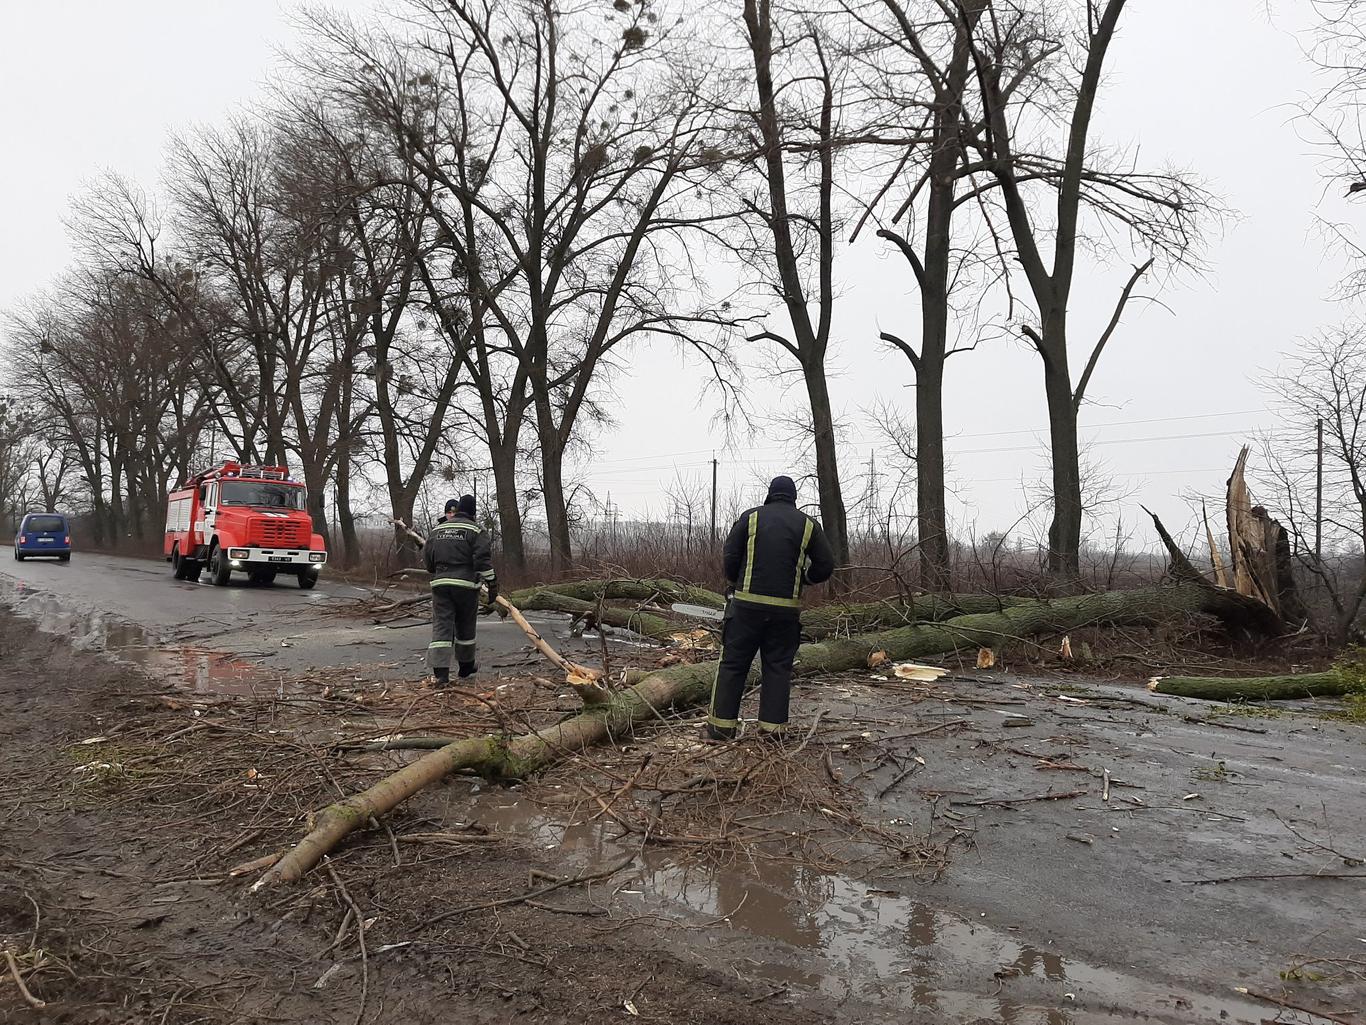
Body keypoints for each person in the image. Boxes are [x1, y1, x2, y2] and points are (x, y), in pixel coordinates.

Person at [706, 475, 835, 741]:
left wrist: (733, 584)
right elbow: (826, 565)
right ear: (793, 497)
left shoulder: (750, 518)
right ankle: (772, 733)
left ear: (770, 494)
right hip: (785, 613)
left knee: (732, 665)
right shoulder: (808, 525)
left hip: (746, 608)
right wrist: (805, 579)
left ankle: (720, 729)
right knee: (777, 668)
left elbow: (730, 554)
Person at [424, 495, 498, 686]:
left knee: (442, 625)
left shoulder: (437, 530)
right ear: (473, 512)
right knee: (465, 625)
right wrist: (492, 584)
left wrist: (437, 571)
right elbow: (482, 561)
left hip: (440, 584)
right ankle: (465, 666)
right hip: (465, 586)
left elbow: (428, 560)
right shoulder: (476, 530)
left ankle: (441, 673)